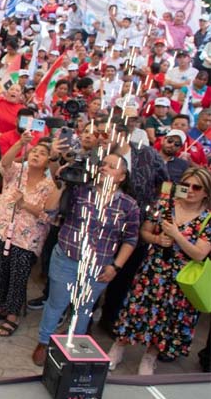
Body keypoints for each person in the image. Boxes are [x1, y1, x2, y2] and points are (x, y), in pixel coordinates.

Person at [32, 152, 141, 367]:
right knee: (56, 304)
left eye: (111, 166)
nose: (103, 168)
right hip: (66, 259)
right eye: (102, 164)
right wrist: (63, 184)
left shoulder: (129, 205)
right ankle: (44, 342)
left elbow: (130, 239)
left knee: (83, 309)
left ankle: (72, 347)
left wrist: (116, 267)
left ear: (122, 176)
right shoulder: (79, 190)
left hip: (99, 267)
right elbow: (50, 209)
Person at [106, 167, 211, 374]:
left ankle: (149, 358)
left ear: (206, 192)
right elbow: (144, 232)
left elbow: (200, 254)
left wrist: (176, 235)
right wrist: (157, 239)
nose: (190, 190)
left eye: (196, 187)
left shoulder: (207, 219)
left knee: (167, 320)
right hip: (153, 271)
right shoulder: (164, 205)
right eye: (185, 185)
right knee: (134, 310)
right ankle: (117, 348)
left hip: (181, 280)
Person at [0, 135, 60, 337]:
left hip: (27, 239)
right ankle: (0, 307)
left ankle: (12, 315)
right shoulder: (18, 171)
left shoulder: (50, 186)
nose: (36, 155)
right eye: (34, 151)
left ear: (48, 161)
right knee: (1, 272)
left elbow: (48, 216)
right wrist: (21, 143)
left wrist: (25, 205)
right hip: (2, 230)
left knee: (18, 277)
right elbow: (4, 162)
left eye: (42, 154)